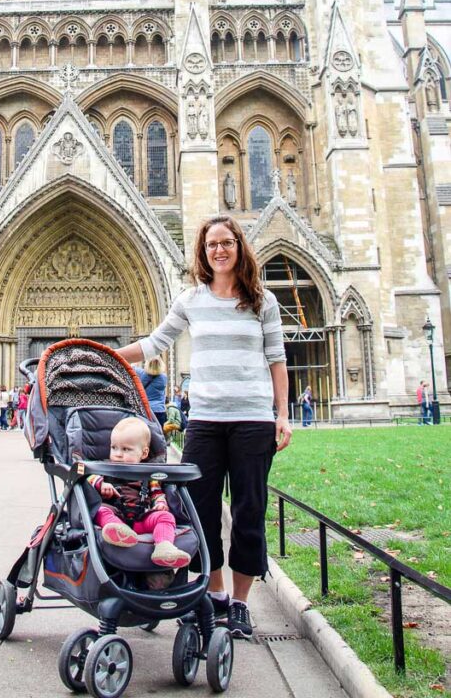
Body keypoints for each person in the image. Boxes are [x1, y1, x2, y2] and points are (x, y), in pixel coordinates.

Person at [117, 214, 292, 640]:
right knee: (200, 512)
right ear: (203, 251)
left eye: (226, 242)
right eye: (212, 244)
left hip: (253, 420)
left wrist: (282, 414)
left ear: (239, 246)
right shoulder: (191, 300)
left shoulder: (262, 301)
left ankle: (241, 604)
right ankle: (213, 595)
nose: (219, 250)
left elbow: (277, 359)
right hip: (206, 421)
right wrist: (105, 354)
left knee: (250, 512)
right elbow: (156, 343)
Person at [88, 417, 190, 569]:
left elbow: (157, 493)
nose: (118, 454)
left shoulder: (148, 475)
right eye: (114, 447)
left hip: (142, 518)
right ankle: (118, 530)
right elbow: (87, 477)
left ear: (144, 453)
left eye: (126, 449)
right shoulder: (104, 467)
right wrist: (101, 484)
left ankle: (164, 546)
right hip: (115, 513)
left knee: (166, 517)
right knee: (99, 510)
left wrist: (160, 503)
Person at [137, 356, 168, 428]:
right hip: (159, 410)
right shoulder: (164, 378)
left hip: (145, 410)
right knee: (158, 435)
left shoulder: (141, 374)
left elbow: (131, 366)